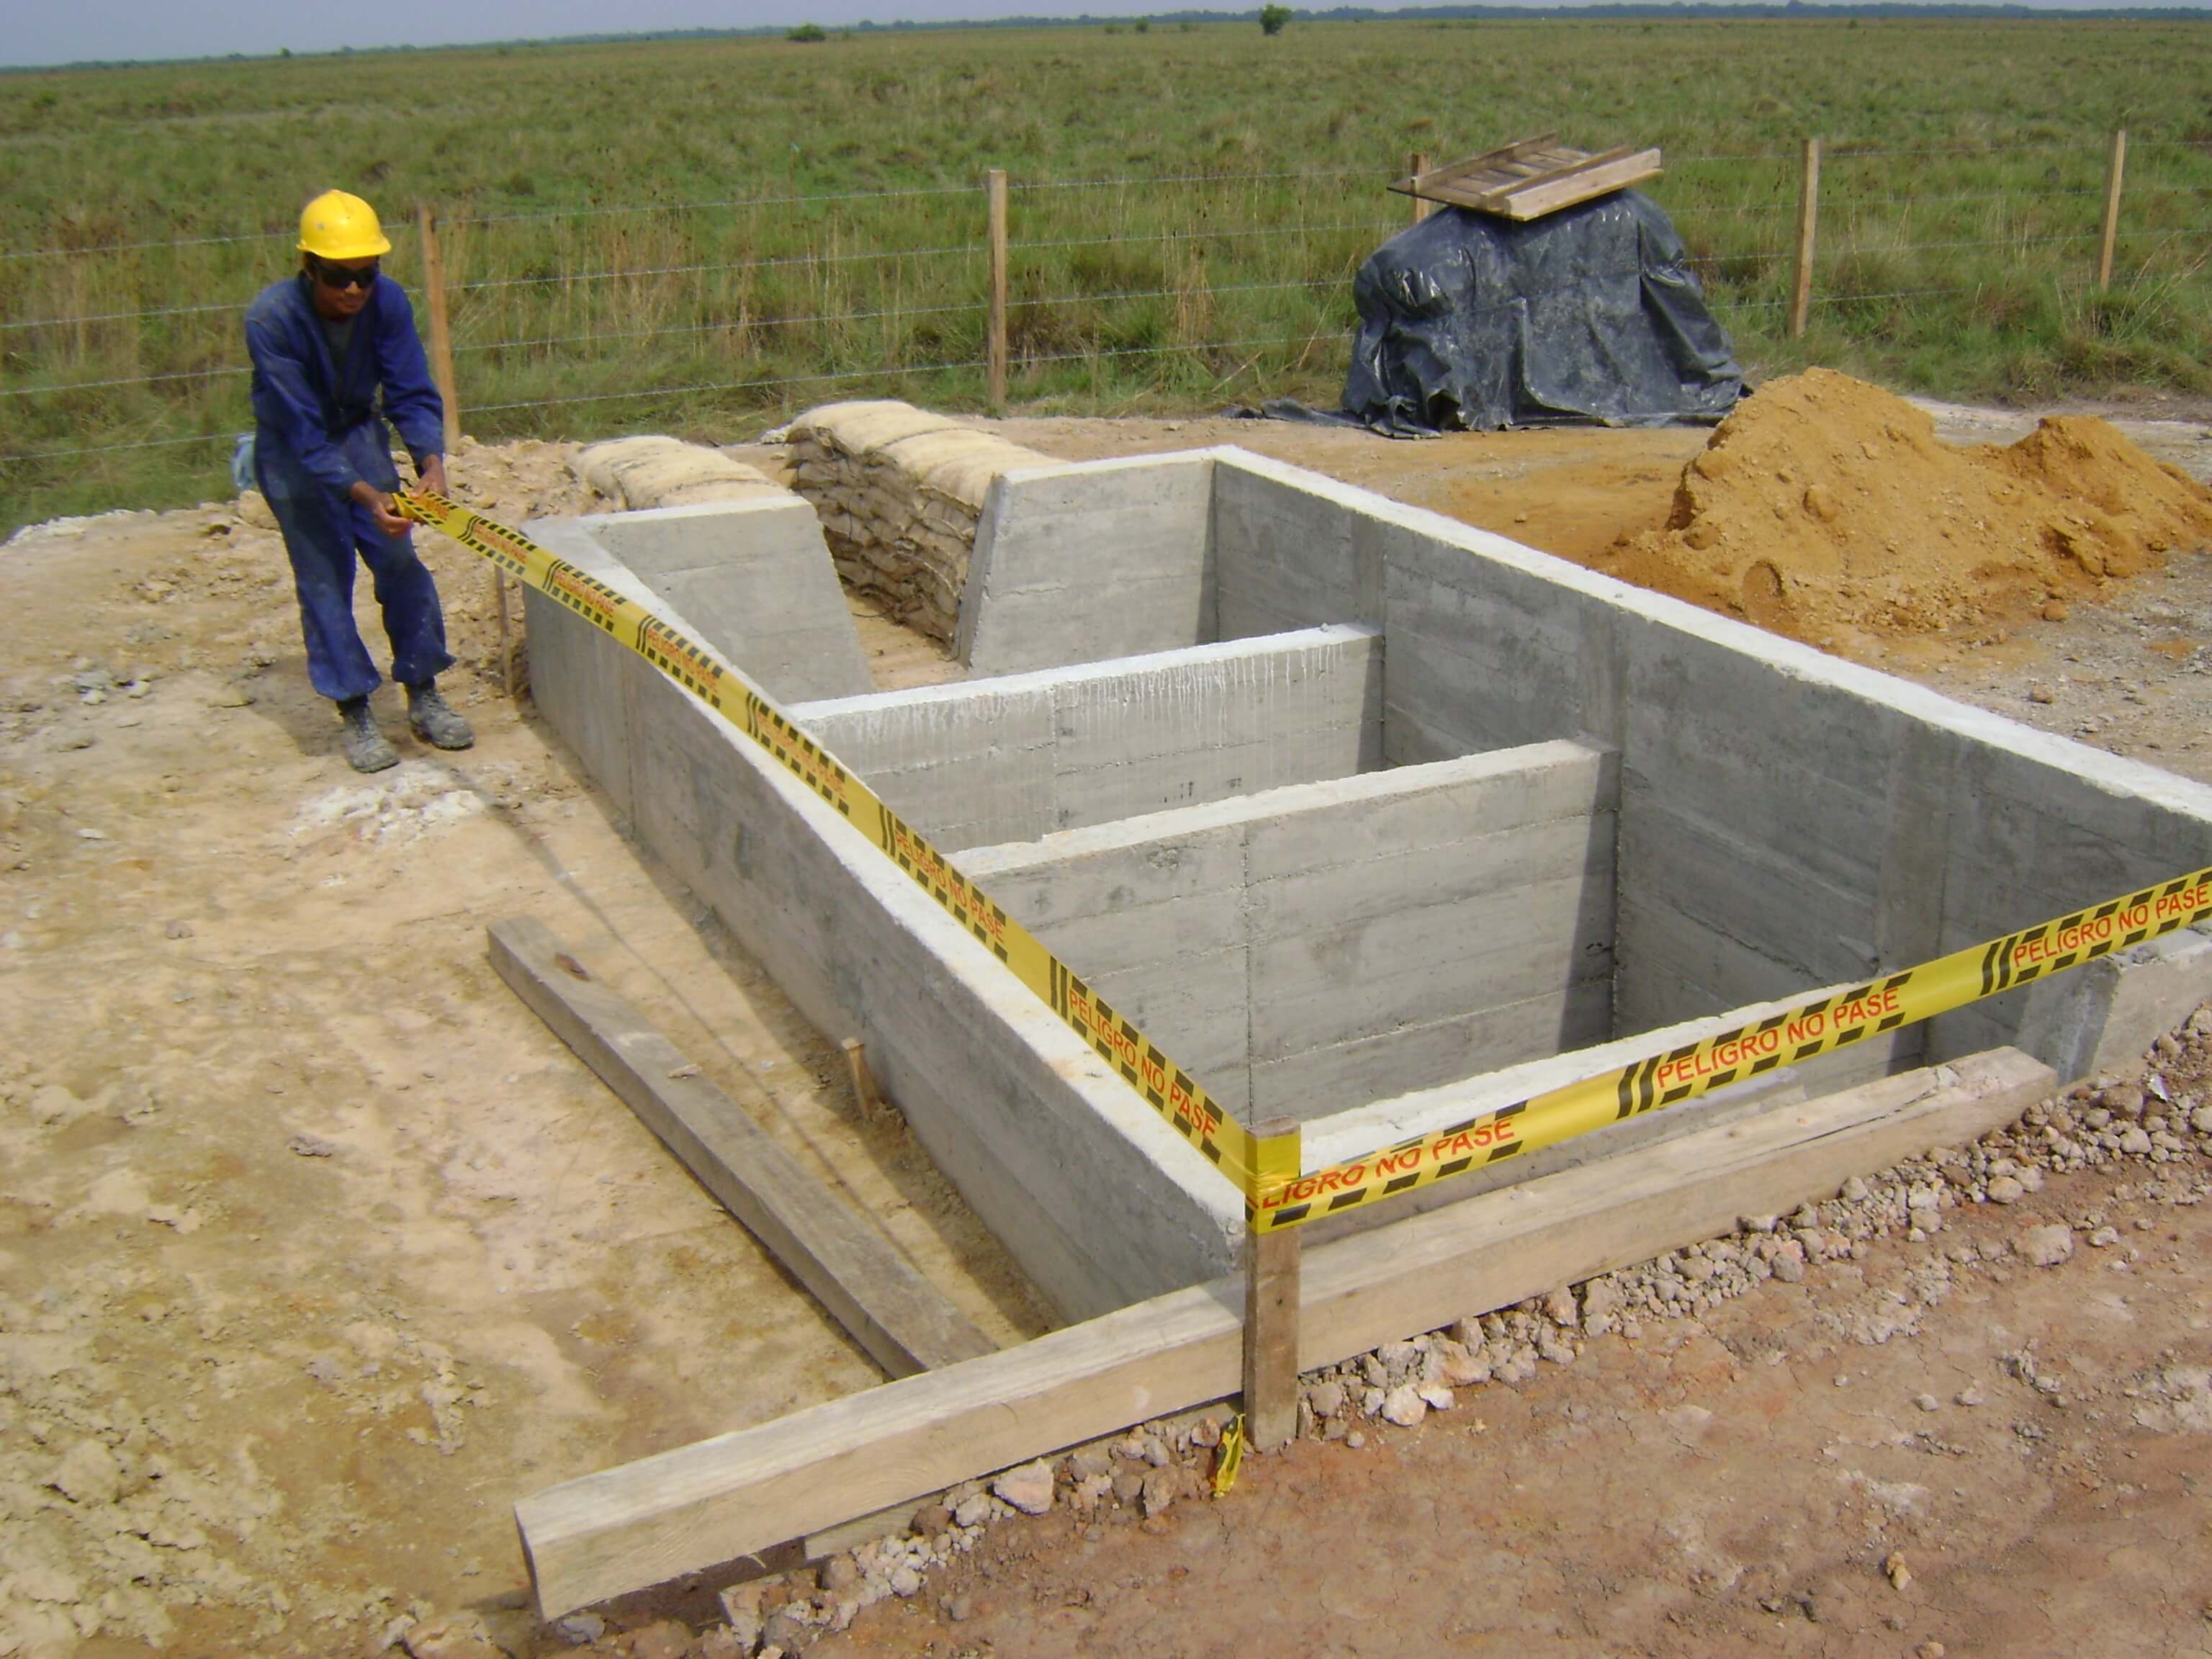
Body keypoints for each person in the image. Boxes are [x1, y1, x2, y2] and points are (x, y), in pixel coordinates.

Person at [244, 189, 472, 773]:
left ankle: (423, 691)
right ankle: (355, 709)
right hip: (295, 451)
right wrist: (369, 496)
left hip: (357, 434)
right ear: (308, 268)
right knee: (324, 577)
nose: (353, 291)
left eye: (365, 276)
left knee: (399, 562)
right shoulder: (272, 320)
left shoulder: (387, 303)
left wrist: (431, 464)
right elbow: (301, 428)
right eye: (337, 277)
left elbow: (410, 388)